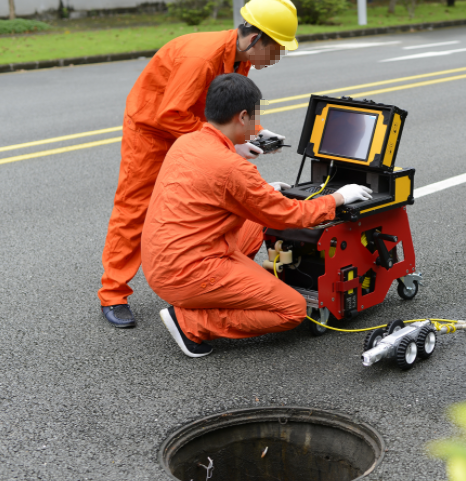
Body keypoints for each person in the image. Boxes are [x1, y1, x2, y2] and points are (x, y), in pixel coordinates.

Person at [141, 73, 373, 357]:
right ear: (241, 117)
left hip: (163, 259)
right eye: (255, 118)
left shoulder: (187, 143)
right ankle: (191, 322)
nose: (256, 125)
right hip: (187, 272)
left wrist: (260, 189)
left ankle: (229, 291)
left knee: (255, 219)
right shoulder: (233, 168)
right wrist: (339, 198)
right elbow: (288, 216)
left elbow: (215, 191)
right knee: (293, 310)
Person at [99, 0, 299, 328]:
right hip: (152, 130)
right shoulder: (202, 57)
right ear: (255, 40)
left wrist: (257, 132)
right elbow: (170, 114)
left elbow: (229, 106)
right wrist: (228, 147)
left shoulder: (239, 56)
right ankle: (113, 293)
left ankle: (215, 274)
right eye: (276, 50)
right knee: (135, 208)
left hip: (190, 125)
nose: (276, 59)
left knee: (211, 200)